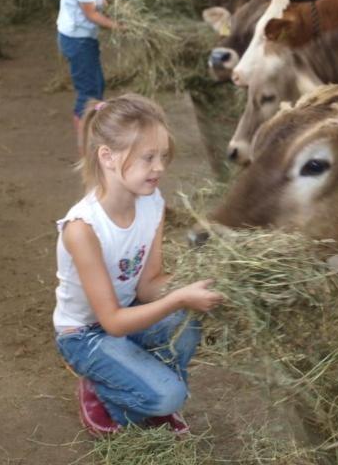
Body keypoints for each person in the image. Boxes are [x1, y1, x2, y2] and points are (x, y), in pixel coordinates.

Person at [53, 94, 224, 436]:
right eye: (148, 158)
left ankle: (135, 381)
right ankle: (102, 389)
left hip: (126, 313)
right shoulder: (83, 229)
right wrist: (178, 298)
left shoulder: (152, 203)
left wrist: (203, 281)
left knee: (186, 323)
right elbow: (113, 322)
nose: (159, 167)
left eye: (163, 156)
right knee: (169, 396)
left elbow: (148, 285)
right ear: (108, 157)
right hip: (85, 334)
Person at [57, 0, 119, 155]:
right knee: (88, 95)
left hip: (82, 38)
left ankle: (92, 137)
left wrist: (113, 7)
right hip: (78, 40)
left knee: (97, 87)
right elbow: (90, 13)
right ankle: (85, 148)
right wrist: (117, 26)